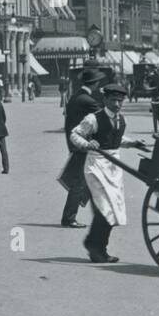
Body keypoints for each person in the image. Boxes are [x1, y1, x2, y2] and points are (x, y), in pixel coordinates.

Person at [69, 83, 146, 263]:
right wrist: (87, 144)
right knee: (104, 208)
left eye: (120, 101)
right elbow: (75, 134)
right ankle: (96, 247)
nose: (117, 104)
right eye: (113, 100)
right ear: (105, 100)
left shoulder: (121, 119)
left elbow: (116, 139)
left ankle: (96, 246)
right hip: (96, 165)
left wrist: (133, 142)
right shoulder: (93, 119)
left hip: (113, 166)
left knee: (113, 210)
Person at [59, 66, 104, 226]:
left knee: (81, 180)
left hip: (75, 144)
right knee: (79, 182)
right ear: (94, 83)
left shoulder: (76, 96)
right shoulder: (88, 100)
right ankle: (69, 218)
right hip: (82, 145)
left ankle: (70, 216)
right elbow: (102, 118)